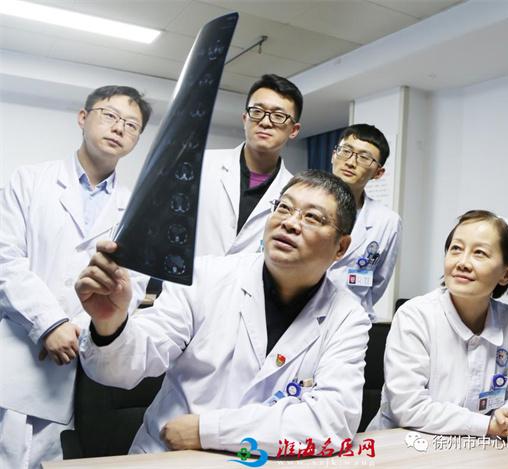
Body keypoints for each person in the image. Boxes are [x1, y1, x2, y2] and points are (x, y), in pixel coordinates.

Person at [75, 170, 371, 455]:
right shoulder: (205, 277)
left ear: (341, 247)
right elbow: (125, 368)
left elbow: (334, 421)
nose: (290, 223)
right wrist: (110, 323)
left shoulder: (347, 317)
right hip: (169, 456)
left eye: (312, 217)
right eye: (284, 208)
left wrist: (207, 430)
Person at [0, 85, 152, 468]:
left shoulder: (135, 209)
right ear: (83, 118)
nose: (119, 128)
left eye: (131, 124)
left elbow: (132, 290)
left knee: (54, 459)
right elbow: (6, 260)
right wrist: (50, 323)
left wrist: (78, 331)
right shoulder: (29, 180)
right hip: (15, 358)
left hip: (79, 368)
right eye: (110, 115)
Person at [368, 210, 508, 438]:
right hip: (401, 444)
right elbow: (409, 407)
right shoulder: (415, 316)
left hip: (477, 447)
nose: (462, 262)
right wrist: (488, 426)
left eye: (479, 253)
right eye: (456, 249)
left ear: (507, 274)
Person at [196, 74, 302, 256]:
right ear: (245, 119)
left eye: (278, 116)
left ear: (293, 130)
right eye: (257, 112)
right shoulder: (201, 164)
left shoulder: (295, 192)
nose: (265, 122)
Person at [328, 124, 401, 318]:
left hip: (350, 319)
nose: (351, 162)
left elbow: (378, 283)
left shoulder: (387, 221)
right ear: (334, 155)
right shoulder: (303, 202)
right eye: (346, 151)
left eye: (364, 158)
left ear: (378, 173)